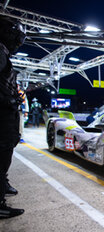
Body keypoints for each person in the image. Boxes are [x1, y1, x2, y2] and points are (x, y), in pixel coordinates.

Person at [0, 15, 26, 218]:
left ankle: (2, 184)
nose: (18, 42)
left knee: (5, 155)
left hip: (6, 115)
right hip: (2, 114)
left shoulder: (3, 52)